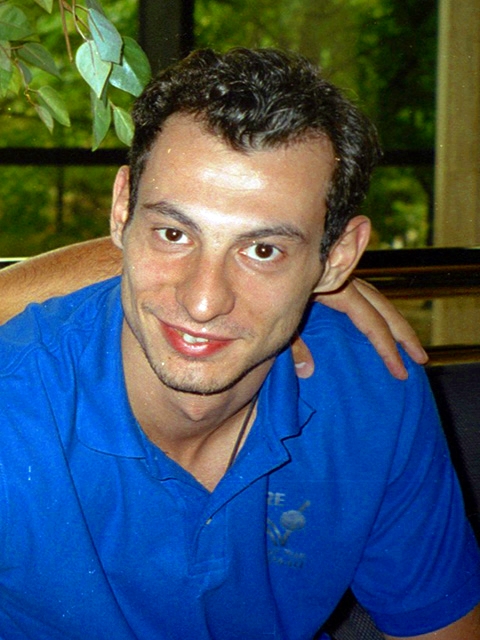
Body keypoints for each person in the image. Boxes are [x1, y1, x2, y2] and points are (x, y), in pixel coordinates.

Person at [0, 47, 478, 640]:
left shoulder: (369, 386)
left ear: (336, 259)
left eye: (263, 250)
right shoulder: (16, 408)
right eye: (173, 233)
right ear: (122, 210)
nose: (204, 301)